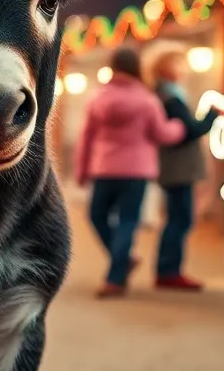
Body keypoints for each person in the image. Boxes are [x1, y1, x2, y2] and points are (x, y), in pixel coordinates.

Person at [76, 47, 186, 298]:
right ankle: (116, 275)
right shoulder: (147, 100)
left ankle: (120, 264)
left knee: (97, 216)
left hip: (103, 169)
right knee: (128, 221)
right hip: (137, 172)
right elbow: (162, 134)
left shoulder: (97, 99)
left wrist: (82, 170)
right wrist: (179, 127)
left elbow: (86, 138)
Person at [147, 43, 220, 291]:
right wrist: (211, 117)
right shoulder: (169, 97)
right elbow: (188, 131)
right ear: (165, 67)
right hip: (177, 166)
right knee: (181, 218)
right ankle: (169, 270)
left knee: (177, 217)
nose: (183, 68)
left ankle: (167, 269)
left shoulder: (165, 93)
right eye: (178, 63)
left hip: (173, 165)